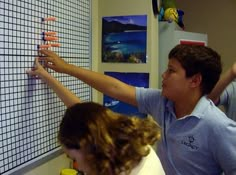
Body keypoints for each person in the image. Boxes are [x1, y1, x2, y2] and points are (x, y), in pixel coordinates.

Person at [37, 44, 236, 175]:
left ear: (195, 80)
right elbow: (114, 89)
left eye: (171, 70)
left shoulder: (218, 126)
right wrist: (64, 69)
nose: (164, 75)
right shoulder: (162, 101)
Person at [26, 58, 165, 175]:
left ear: (86, 145)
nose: (78, 167)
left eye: (73, 157)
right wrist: (47, 77)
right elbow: (85, 116)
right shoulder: (135, 148)